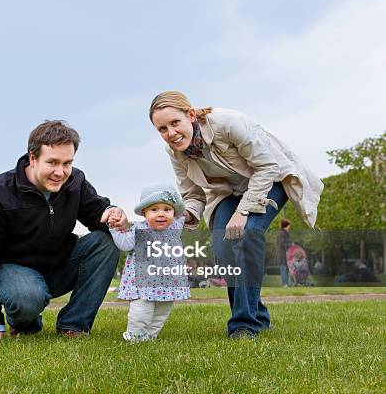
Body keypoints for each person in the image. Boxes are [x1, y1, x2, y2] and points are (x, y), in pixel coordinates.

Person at [149, 91, 323, 339]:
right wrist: (185, 215)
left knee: (248, 234)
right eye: (162, 129)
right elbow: (192, 194)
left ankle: (243, 325)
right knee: (222, 247)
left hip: (270, 179)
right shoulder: (175, 152)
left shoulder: (228, 123)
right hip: (227, 193)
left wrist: (243, 211)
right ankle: (258, 315)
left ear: (190, 115)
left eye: (175, 123)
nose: (171, 134)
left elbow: (267, 167)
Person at [0, 120, 127, 340]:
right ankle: (24, 321)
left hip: (59, 264)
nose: (60, 172)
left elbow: (96, 212)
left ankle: (74, 324)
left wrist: (112, 213)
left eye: (67, 163)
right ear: (33, 158)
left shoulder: (75, 181)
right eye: (52, 162)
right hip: (16, 273)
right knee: (26, 297)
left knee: (106, 242)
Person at [110, 184, 190, 341]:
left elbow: (185, 213)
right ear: (144, 213)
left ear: (174, 213)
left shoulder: (175, 226)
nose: (161, 214)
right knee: (141, 312)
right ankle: (135, 337)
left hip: (168, 281)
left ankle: (150, 337)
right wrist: (114, 229)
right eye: (154, 210)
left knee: (162, 312)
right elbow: (125, 244)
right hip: (143, 282)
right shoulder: (138, 229)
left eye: (167, 210)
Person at [276, 219, 292, 287]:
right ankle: (285, 284)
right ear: (286, 225)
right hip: (282, 255)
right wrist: (290, 245)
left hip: (286, 255)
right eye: (289, 225)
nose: (290, 227)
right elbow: (281, 244)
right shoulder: (282, 233)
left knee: (286, 269)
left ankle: (287, 284)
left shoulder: (285, 233)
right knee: (283, 269)